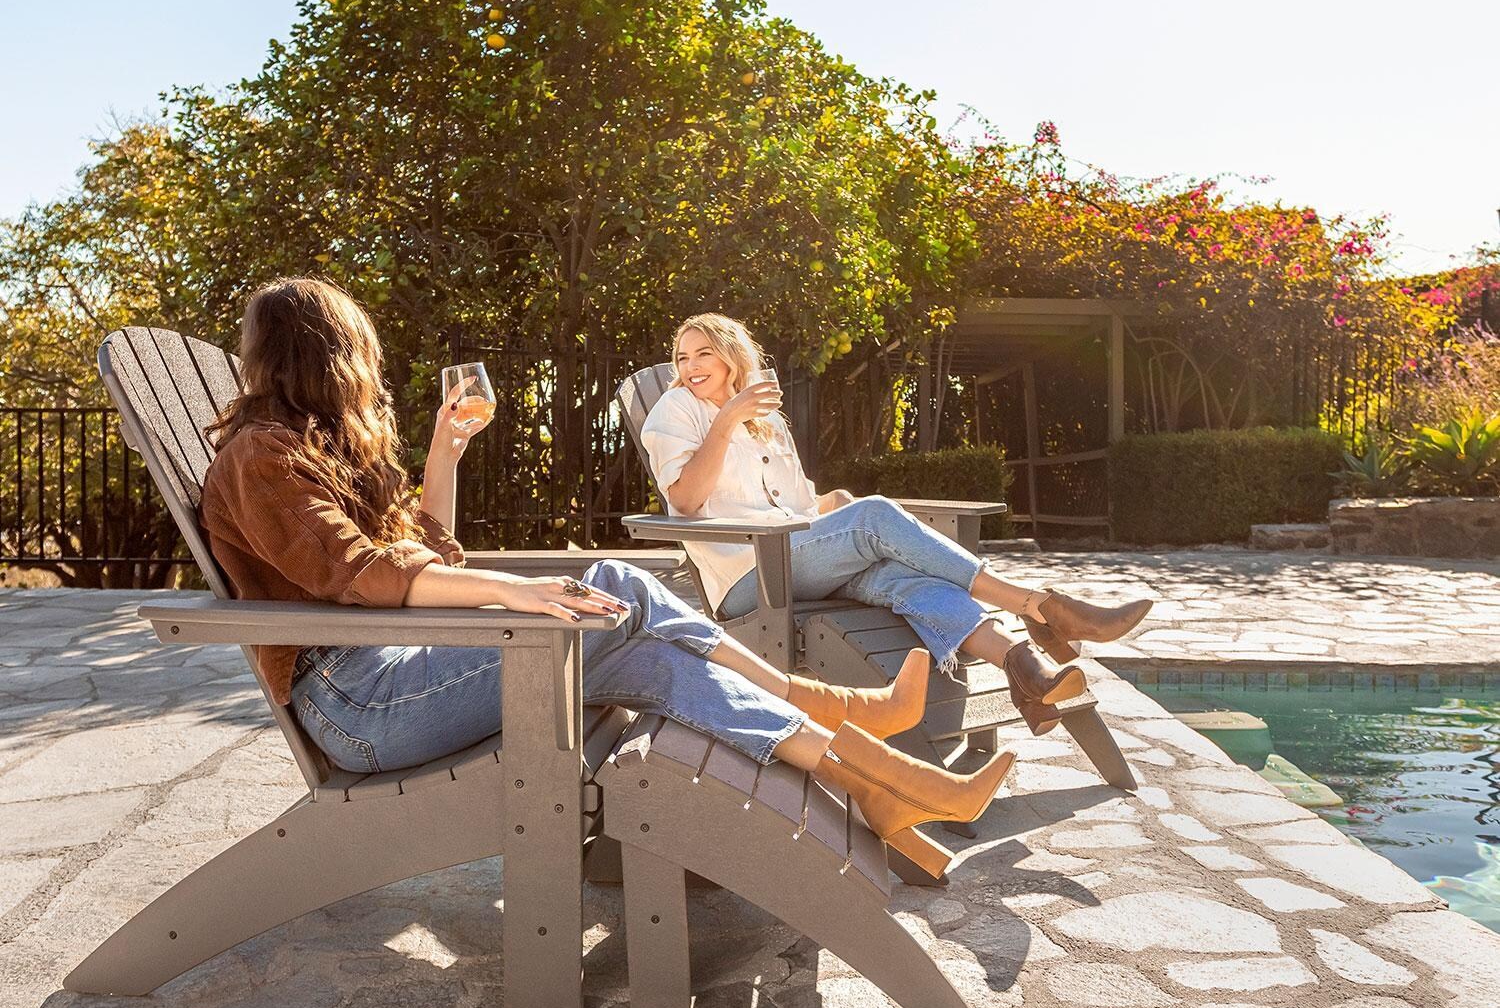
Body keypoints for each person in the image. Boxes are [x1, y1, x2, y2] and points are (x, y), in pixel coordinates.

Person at [197, 278, 1014, 879]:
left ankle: (881, 783)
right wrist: (512, 592)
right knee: (615, 586)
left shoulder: (311, 453)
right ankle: (833, 709)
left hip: (404, 670)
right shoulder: (259, 457)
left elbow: (423, 551)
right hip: (359, 704)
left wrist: (445, 454)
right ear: (336, 355)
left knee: (652, 655)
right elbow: (370, 575)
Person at [639, 314, 1152, 734]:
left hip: (797, 556)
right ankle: (1037, 606)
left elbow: (794, 502)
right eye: (682, 357)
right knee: (877, 515)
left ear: (732, 357)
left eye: (702, 352)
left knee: (908, 577)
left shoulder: (767, 420)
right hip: (749, 576)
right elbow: (683, 501)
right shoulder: (675, 409)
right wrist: (726, 420)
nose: (690, 366)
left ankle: (1026, 669)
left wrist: (831, 503)